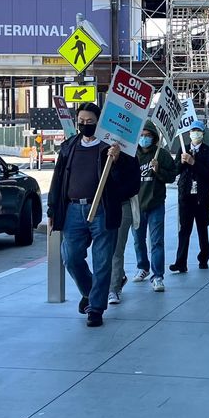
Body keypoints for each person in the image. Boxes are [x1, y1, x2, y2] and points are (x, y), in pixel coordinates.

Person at [46, 103, 141, 327]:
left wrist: (117, 161)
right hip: (72, 210)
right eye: (82, 121)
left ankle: (96, 308)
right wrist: (52, 209)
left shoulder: (115, 149)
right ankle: (89, 292)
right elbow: (58, 180)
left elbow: (130, 183)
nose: (85, 125)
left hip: (102, 210)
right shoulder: (69, 147)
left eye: (90, 122)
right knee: (71, 257)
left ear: (100, 123)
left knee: (102, 261)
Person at [122, 122, 179, 295]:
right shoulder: (131, 154)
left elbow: (172, 176)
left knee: (156, 241)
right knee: (138, 240)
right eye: (142, 135)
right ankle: (142, 266)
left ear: (154, 137)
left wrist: (158, 170)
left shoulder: (161, 154)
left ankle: (158, 275)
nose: (144, 138)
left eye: (148, 135)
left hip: (155, 204)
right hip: (136, 205)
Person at [171, 120, 209, 272]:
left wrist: (193, 162)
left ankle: (204, 257)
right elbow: (175, 170)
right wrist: (183, 162)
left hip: (202, 197)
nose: (195, 134)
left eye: (198, 131)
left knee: (202, 228)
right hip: (186, 195)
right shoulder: (183, 149)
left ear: (203, 133)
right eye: (192, 131)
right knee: (184, 229)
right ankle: (180, 262)